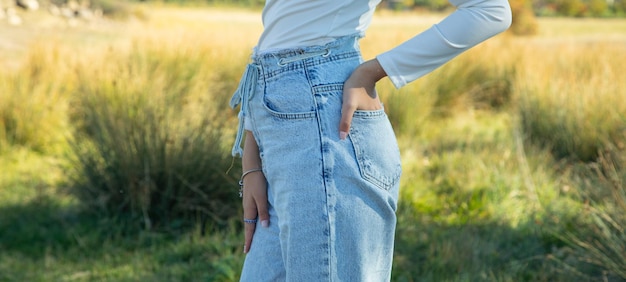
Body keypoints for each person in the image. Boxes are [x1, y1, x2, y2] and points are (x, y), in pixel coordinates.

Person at [229, 0, 511, 280]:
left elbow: (491, 9)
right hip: (281, 136)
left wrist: (375, 70)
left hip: (326, 129)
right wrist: (252, 157)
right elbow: (284, 29)